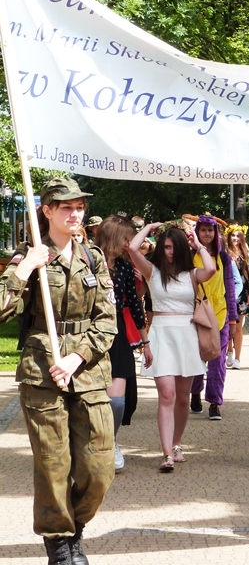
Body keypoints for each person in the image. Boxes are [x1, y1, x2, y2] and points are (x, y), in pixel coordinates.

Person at [0, 177, 117, 564]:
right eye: (66, 207)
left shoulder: (93, 257)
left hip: (87, 371)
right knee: (53, 465)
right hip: (42, 372)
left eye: (79, 207)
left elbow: (108, 322)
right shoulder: (29, 255)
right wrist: (26, 267)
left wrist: (76, 357)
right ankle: (61, 545)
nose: (75, 213)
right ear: (47, 210)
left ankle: (75, 526)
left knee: (99, 467)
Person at [128, 220, 215, 471]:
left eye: (174, 247)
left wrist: (198, 245)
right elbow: (132, 248)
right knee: (167, 394)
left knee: (183, 399)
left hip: (186, 335)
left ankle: (176, 444)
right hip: (161, 334)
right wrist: (149, 228)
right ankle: (166, 452)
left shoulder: (192, 274)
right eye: (166, 247)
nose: (170, 252)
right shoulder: (152, 271)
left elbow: (210, 269)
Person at [95, 215, 152, 473]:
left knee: (117, 402)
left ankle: (112, 440)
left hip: (116, 333)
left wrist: (145, 341)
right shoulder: (87, 261)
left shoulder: (125, 267)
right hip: (89, 331)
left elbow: (134, 305)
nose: (129, 244)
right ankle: (93, 445)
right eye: (126, 239)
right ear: (113, 238)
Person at [189, 213, 238, 420]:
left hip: (220, 314)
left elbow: (230, 288)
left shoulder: (223, 258)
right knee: (197, 357)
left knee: (217, 362)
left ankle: (215, 402)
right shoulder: (189, 255)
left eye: (210, 230)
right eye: (203, 230)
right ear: (197, 232)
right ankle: (195, 392)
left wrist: (233, 319)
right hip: (196, 314)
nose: (207, 234)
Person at [225, 223, 249, 370]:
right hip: (227, 291)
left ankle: (238, 358)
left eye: (238, 236)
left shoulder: (246, 254)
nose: (236, 238)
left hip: (242, 293)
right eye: (233, 235)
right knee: (227, 324)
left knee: (238, 326)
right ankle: (229, 351)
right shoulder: (225, 252)